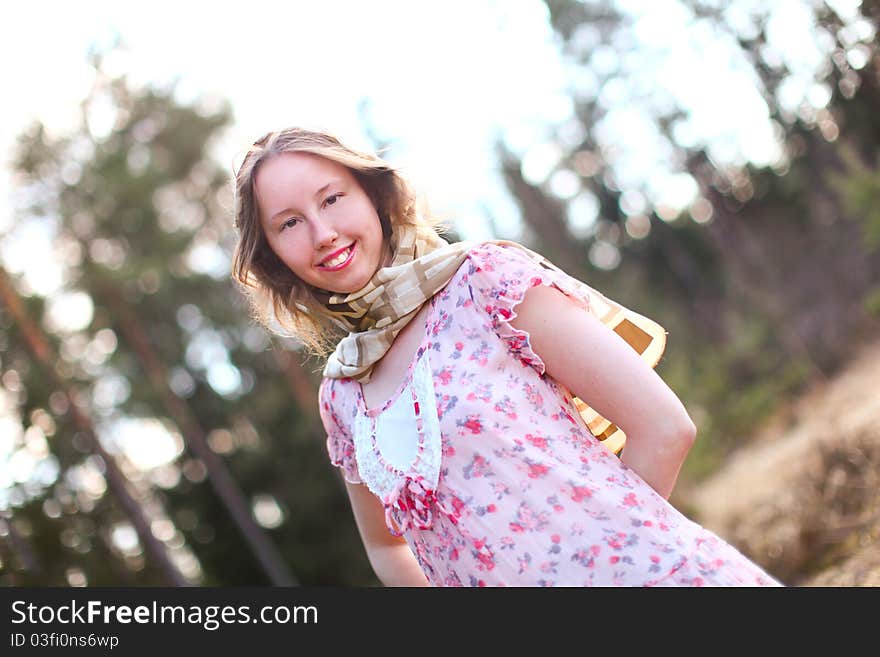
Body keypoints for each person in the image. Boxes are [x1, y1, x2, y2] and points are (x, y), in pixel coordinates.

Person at [231, 126, 782, 587]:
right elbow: (385, 546)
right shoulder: (342, 393)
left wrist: (600, 565)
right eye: (290, 222)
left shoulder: (484, 282)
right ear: (274, 255)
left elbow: (664, 427)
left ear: (373, 196)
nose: (322, 233)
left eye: (332, 199)